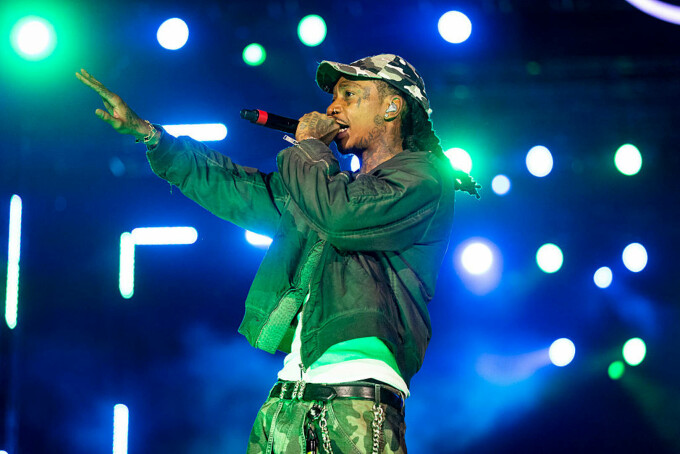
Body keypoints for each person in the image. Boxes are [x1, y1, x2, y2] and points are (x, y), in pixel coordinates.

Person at [77, 54, 479, 454]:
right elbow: (238, 188)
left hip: (356, 400)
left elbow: (341, 215)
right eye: (333, 97)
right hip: (288, 398)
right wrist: (152, 136)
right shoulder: (325, 188)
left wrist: (309, 146)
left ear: (392, 106)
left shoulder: (425, 178)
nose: (333, 107)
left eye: (349, 95)